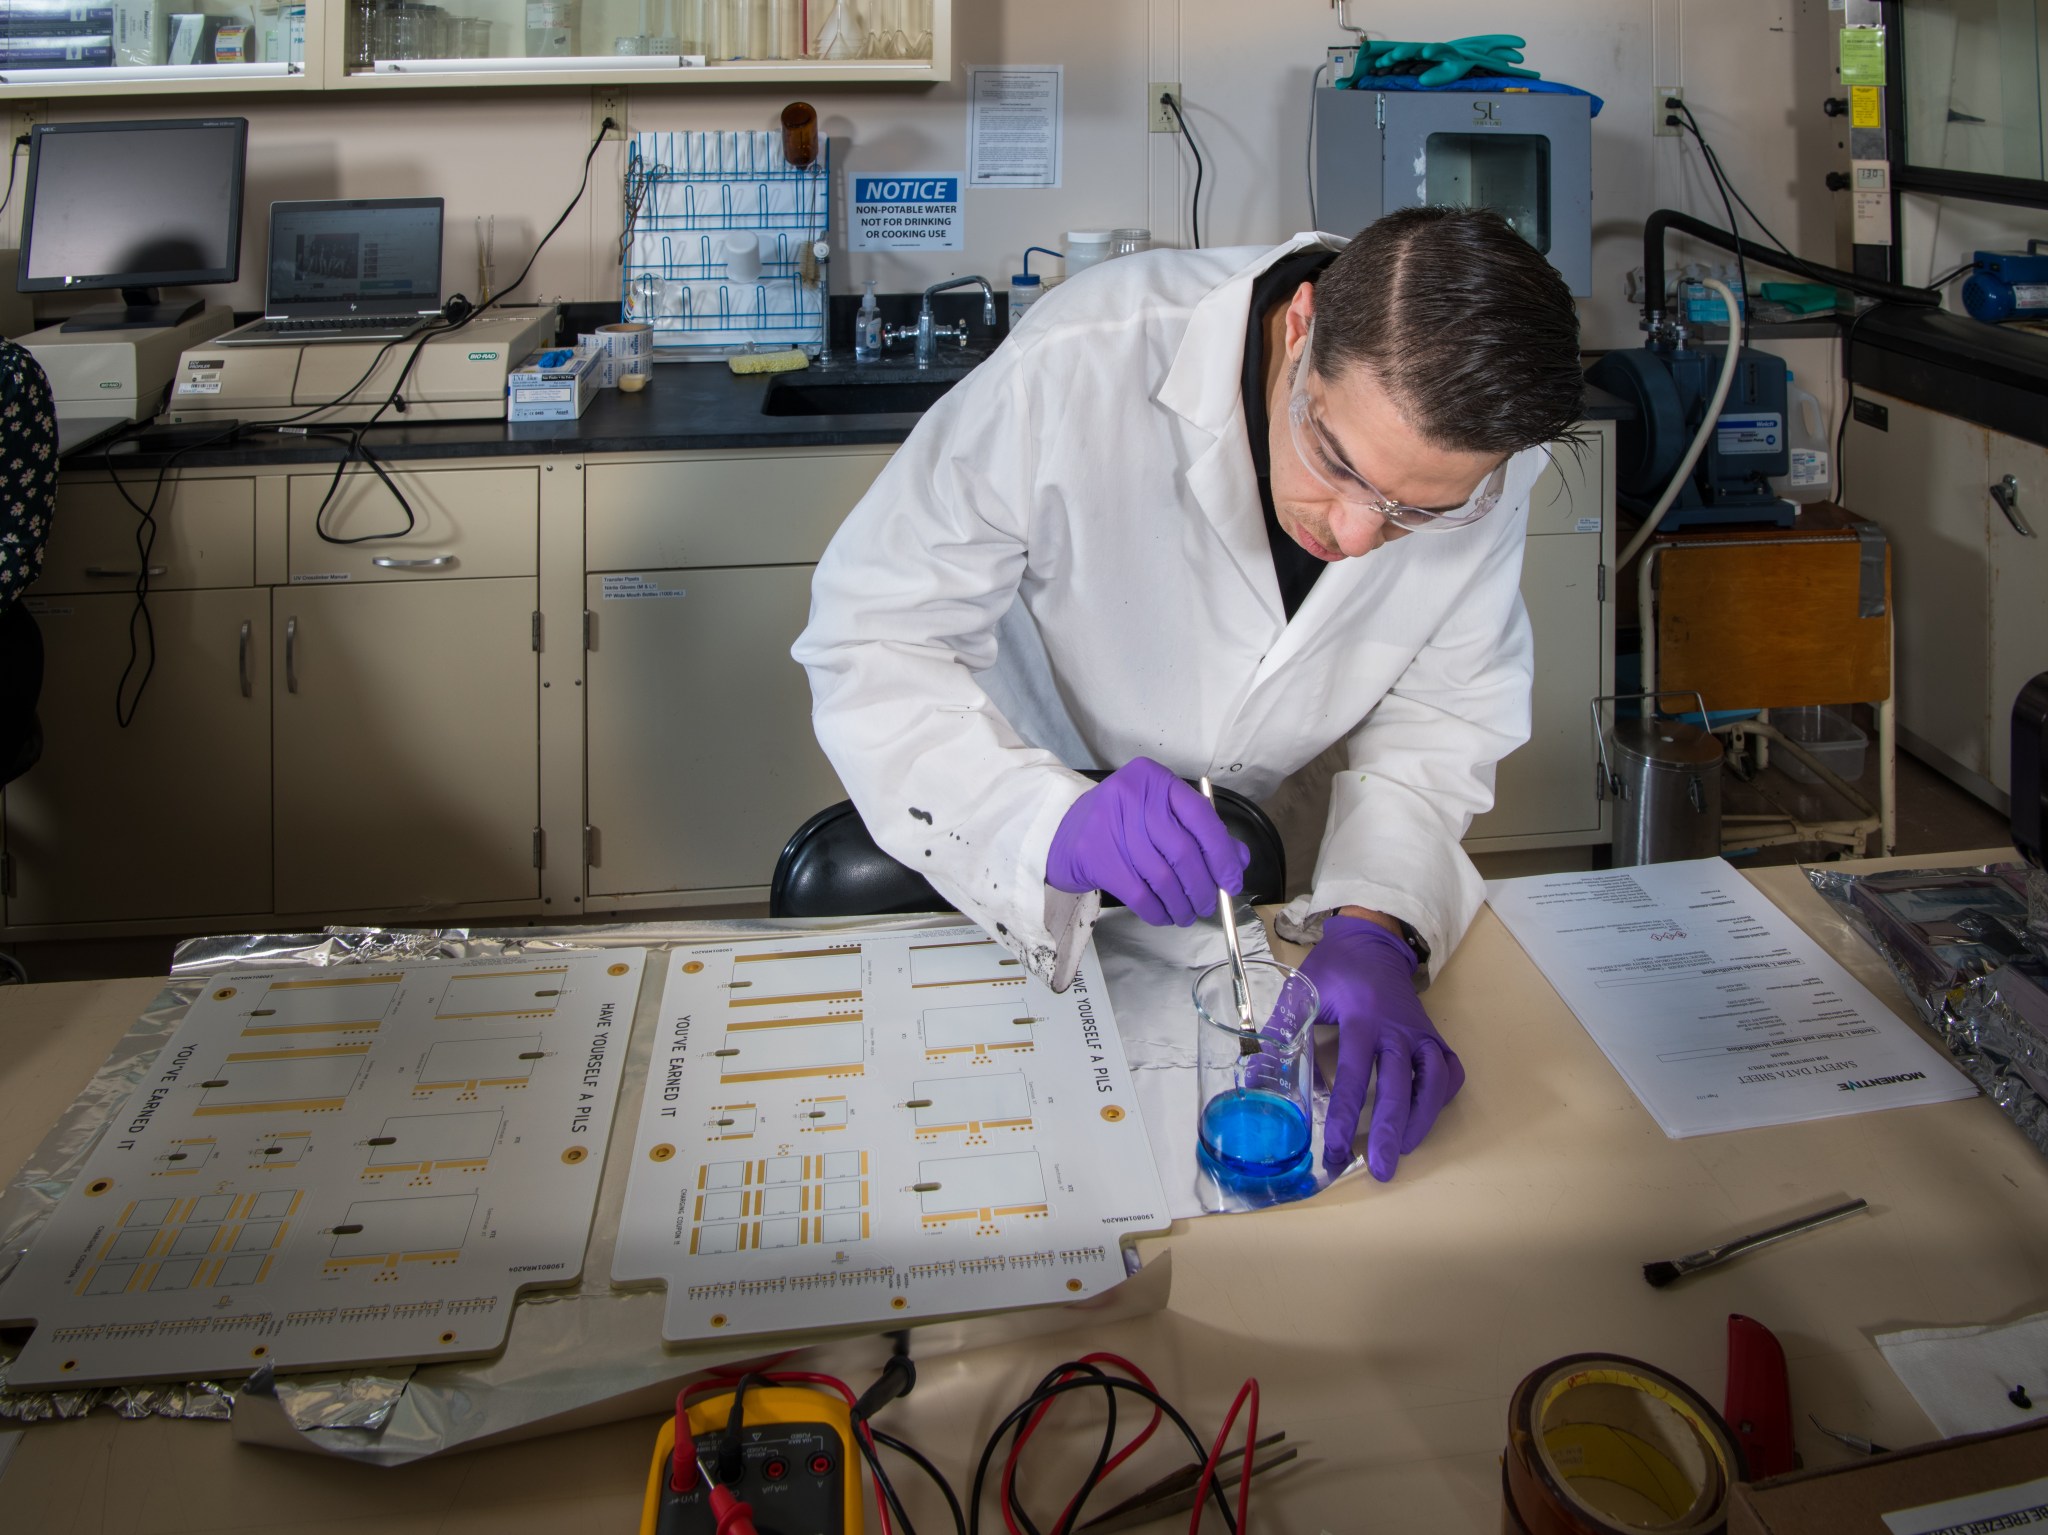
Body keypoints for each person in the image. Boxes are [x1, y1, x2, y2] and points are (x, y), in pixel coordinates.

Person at [794, 208, 1583, 1182]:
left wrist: (1377, 923)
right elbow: (873, 635)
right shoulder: (1085, 358)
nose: (1350, 530)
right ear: (1299, 329)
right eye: (1336, 463)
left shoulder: (1476, 461)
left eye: (1413, 511)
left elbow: (1441, 715)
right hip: (1010, 867)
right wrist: (1046, 821)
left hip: (1259, 909)